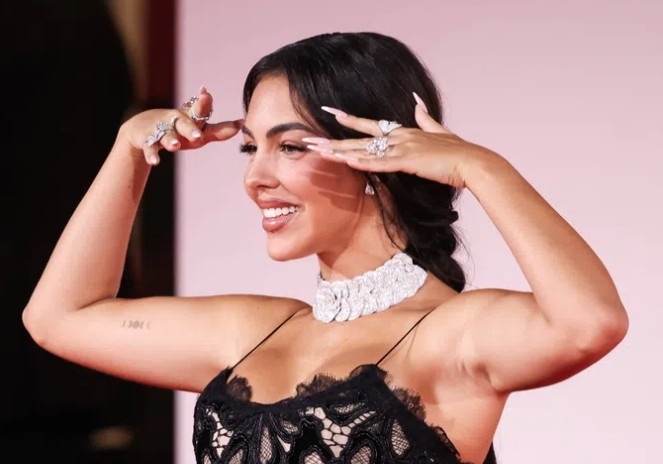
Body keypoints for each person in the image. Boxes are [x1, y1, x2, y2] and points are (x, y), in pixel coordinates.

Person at [22, 31, 628, 464]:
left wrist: (480, 167)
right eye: (250, 147)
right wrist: (130, 149)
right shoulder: (254, 332)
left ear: (378, 159)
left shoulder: (451, 335)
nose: (254, 177)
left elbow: (590, 323)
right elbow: (58, 318)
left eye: (289, 146)